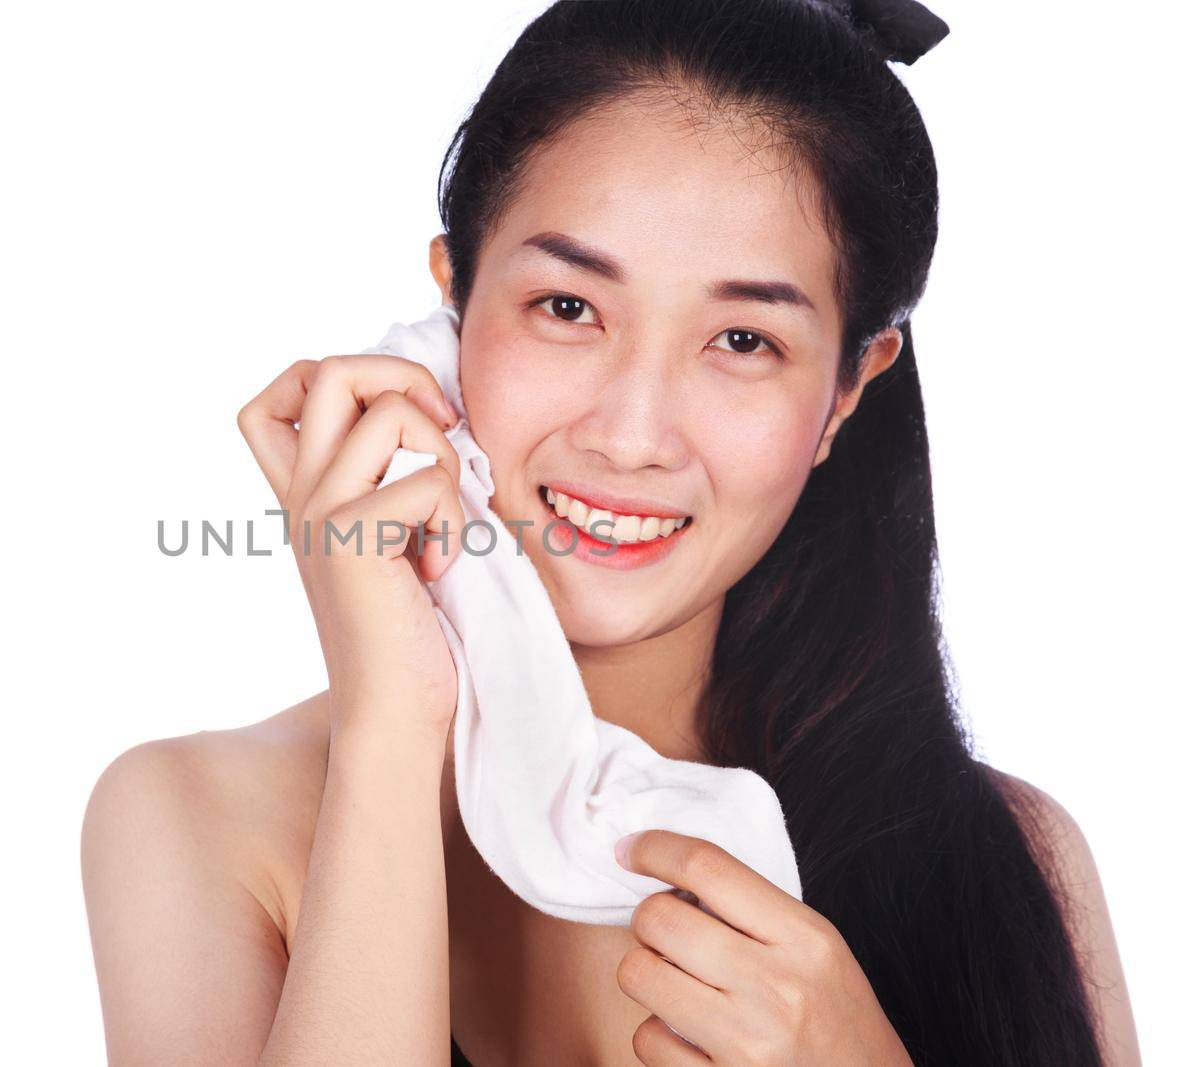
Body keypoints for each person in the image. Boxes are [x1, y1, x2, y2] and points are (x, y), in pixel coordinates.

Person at [82, 1, 1140, 1063]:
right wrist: (391, 729)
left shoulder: (1011, 856)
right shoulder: (206, 816)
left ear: (844, 394)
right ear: (454, 302)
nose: (631, 435)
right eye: (567, 308)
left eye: (740, 338)